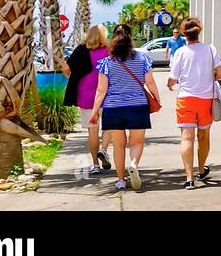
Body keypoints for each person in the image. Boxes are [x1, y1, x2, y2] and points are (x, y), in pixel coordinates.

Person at [90, 27, 160, 192]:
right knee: (137, 141)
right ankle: (134, 164)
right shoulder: (142, 59)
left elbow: (101, 91)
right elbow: (150, 82)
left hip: (113, 108)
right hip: (138, 106)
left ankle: (121, 180)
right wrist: (157, 98)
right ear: (131, 42)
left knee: (119, 145)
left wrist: (94, 112)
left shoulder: (106, 63)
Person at [166, 17, 221, 189]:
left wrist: (169, 85)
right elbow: (220, 75)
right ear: (199, 31)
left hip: (186, 99)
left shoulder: (180, 53)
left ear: (184, 34)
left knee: (187, 138)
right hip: (206, 100)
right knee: (203, 136)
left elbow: (172, 79)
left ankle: (189, 178)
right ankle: (201, 169)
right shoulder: (210, 49)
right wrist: (207, 76)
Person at [62, 24, 112, 174]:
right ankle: (103, 150)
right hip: (108, 94)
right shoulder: (109, 50)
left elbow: (65, 68)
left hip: (86, 95)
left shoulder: (80, 51)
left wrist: (73, 78)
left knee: (92, 131)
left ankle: (95, 165)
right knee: (109, 127)